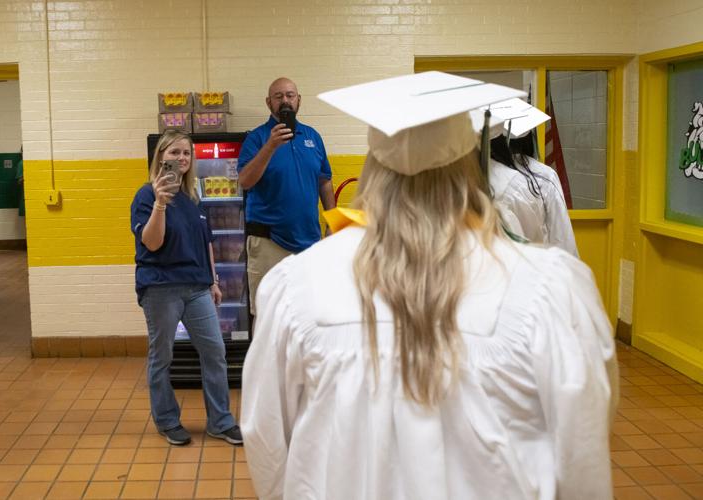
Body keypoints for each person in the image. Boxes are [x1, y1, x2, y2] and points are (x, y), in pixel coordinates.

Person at [241, 72, 617, 499]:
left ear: (373, 167)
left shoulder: (297, 288)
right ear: (470, 166)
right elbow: (581, 456)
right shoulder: (547, 287)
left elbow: (266, 441)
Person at [131, 129, 242, 446]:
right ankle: (167, 420)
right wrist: (160, 205)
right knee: (161, 357)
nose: (181, 158)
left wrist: (214, 280)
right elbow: (152, 243)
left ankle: (220, 421)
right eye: (174, 152)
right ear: (161, 156)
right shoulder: (146, 196)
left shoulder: (193, 198)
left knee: (215, 352)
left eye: (186, 153)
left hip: (197, 288)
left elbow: (206, 241)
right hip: (161, 289)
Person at [237, 77, 335, 314]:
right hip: (269, 242)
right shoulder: (257, 138)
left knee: (308, 312)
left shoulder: (313, 137)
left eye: (290, 95)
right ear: (268, 102)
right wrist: (270, 146)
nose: (285, 101)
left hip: (309, 242)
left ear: (299, 100)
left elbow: (325, 181)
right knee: (268, 315)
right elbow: (245, 181)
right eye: (278, 96)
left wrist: (333, 222)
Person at [487, 100, 578, 255]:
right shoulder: (544, 176)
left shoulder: (485, 173)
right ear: (530, 138)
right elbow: (561, 237)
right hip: (536, 262)